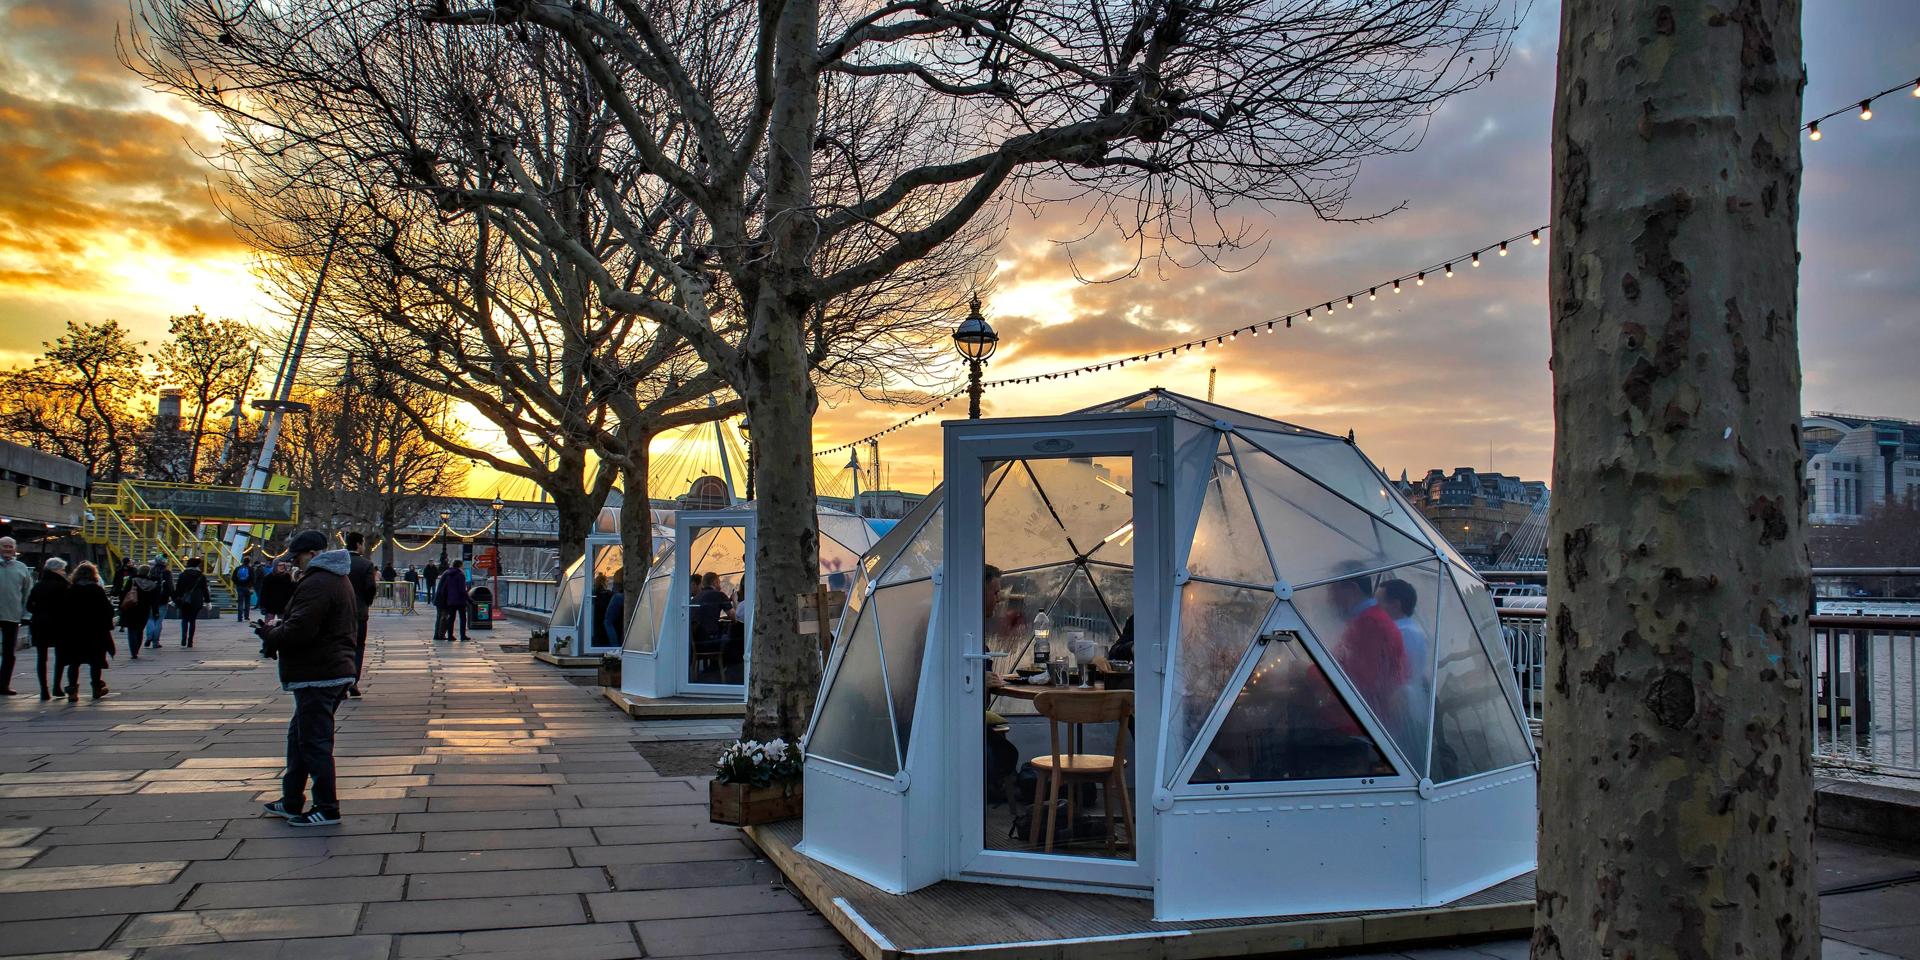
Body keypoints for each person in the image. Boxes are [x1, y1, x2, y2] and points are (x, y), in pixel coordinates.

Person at [255, 530, 358, 827]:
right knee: (300, 739)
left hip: (319, 672)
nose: (295, 564)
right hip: (324, 670)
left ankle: (327, 807)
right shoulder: (333, 579)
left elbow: (299, 631)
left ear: (313, 554)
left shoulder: (318, 583)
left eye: (298, 557)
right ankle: (290, 800)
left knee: (314, 742)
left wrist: (270, 633)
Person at [61, 562, 114, 701]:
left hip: (74, 632)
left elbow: (63, 611)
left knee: (74, 662)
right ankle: (97, 688)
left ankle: (72, 690)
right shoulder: (97, 590)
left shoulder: (71, 590)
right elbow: (107, 610)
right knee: (95, 662)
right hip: (95, 632)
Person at [28, 558, 70, 700]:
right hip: (59, 624)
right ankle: (56, 687)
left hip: (39, 624)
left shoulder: (38, 585)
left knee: (41, 658)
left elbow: (29, 606)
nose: (64, 572)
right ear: (55, 570)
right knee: (60, 657)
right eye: (63, 569)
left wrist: (39, 612)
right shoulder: (64, 586)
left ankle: (43, 690)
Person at [342, 533, 377, 698]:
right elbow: (370, 588)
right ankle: (353, 681)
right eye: (363, 543)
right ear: (358, 544)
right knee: (358, 646)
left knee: (340, 646)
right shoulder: (366, 564)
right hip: (359, 611)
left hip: (340, 612)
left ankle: (339, 682)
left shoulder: (339, 562)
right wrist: (366, 602)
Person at [0, 537, 33, 695]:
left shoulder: (22, 568)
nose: (7, 549)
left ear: (15, 549)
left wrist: (26, 614)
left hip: (12, 616)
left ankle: (4, 684)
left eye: (10, 546)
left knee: (9, 652)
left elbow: (27, 593)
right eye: (4, 546)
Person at [119, 564, 159, 661]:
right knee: (140, 630)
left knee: (131, 630)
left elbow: (124, 593)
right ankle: (137, 648)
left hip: (132, 608)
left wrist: (122, 605)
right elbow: (154, 600)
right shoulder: (152, 584)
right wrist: (155, 611)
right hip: (144, 610)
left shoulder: (132, 581)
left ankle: (133, 651)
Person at [174, 558, 211, 648]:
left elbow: (178, 588)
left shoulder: (182, 575)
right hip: (196, 600)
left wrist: (176, 599)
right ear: (197, 565)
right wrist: (207, 601)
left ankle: (183, 638)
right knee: (193, 620)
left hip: (184, 599)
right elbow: (205, 589)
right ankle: (190, 641)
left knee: (184, 619)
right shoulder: (201, 576)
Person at [433, 559, 470, 642]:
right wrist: (468, 599)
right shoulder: (459, 574)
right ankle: (441, 635)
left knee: (445, 618)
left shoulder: (447, 573)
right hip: (451, 599)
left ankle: (442, 635)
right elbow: (461, 589)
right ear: (460, 565)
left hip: (446, 599)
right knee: (455, 618)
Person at [144, 558, 174, 651]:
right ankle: (155, 642)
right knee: (158, 621)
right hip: (162, 599)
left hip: (150, 599)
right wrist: (172, 597)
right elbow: (170, 586)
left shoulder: (150, 571)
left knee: (150, 619)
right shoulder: (167, 572)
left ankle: (149, 636)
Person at [260, 560, 296, 625]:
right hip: (270, 605)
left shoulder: (288, 577)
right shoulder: (268, 578)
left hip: (283, 606)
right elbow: (264, 593)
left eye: (283, 565)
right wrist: (263, 605)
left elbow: (292, 591)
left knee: (284, 625)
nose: (282, 567)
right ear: (275, 566)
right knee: (268, 625)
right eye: (279, 565)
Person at [603, 573, 626, 647]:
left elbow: (616, 588)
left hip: (620, 595)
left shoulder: (619, 572)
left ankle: (614, 647)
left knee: (608, 622)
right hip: (625, 595)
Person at [233, 555, 255, 621]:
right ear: (249, 562)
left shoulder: (238, 568)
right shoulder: (251, 569)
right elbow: (253, 578)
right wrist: (250, 586)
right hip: (247, 587)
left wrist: (237, 583)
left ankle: (239, 617)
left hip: (239, 587)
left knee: (240, 602)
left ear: (243, 561)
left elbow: (233, 577)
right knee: (247, 602)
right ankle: (246, 616)